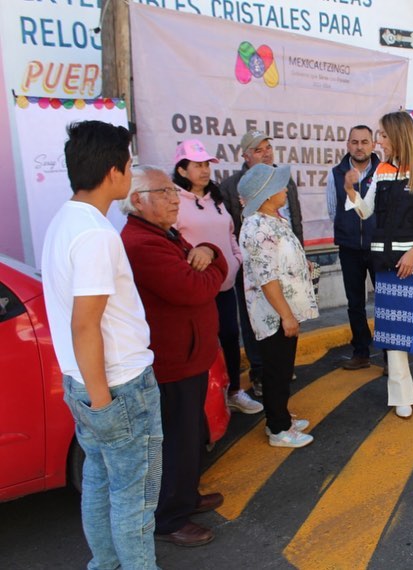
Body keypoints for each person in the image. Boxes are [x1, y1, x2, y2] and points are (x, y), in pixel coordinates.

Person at [41, 121, 162, 569]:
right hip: (116, 387)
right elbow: (85, 324)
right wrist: (103, 401)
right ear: (114, 171)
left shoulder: (66, 220)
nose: (131, 173)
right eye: (129, 164)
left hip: (89, 383)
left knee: (100, 483)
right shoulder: (95, 233)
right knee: (134, 501)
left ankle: (105, 565)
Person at [120, 166, 227, 547]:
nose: (173, 198)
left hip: (190, 356)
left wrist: (208, 251)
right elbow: (194, 290)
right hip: (172, 361)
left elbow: (213, 265)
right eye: (163, 192)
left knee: (191, 434)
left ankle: (186, 496)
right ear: (137, 200)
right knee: (177, 439)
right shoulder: (141, 243)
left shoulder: (164, 234)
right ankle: (169, 517)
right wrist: (213, 262)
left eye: (171, 191)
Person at [344, 111, 413, 418]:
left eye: (383, 135)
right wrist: (351, 190)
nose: (378, 141)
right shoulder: (382, 170)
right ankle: (401, 394)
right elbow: (366, 211)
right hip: (387, 262)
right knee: (393, 332)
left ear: (399, 135)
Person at [173, 139, 262, 415]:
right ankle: (206, 402)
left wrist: (235, 261)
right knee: (202, 345)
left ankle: (234, 391)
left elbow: (231, 234)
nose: (204, 170)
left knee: (230, 336)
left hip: (224, 286)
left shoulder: (217, 198)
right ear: (182, 169)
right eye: (197, 165)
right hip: (195, 291)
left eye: (206, 165)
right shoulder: (172, 200)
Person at [239, 163, 317, 447]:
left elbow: (279, 259)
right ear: (266, 194)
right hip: (273, 314)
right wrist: (286, 316)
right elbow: (266, 277)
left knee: (283, 368)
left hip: (284, 309)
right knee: (276, 369)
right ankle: (279, 428)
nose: (285, 189)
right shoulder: (257, 227)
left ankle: (281, 415)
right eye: (279, 187)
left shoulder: (272, 218)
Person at [221, 130, 304, 395]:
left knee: (285, 327)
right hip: (258, 268)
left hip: (287, 267)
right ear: (245, 156)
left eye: (268, 147)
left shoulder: (285, 181)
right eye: (258, 149)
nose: (266, 152)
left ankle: (278, 374)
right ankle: (261, 373)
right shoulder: (232, 187)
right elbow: (232, 229)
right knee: (259, 323)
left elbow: (295, 220)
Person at [326, 125, 382, 370]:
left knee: (385, 301)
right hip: (349, 247)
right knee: (355, 303)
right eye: (355, 142)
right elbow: (332, 209)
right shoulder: (336, 173)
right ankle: (361, 352)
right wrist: (349, 228)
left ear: (373, 144)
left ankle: (392, 356)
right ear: (347, 145)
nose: (359, 146)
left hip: (379, 247)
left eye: (364, 142)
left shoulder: (385, 171)